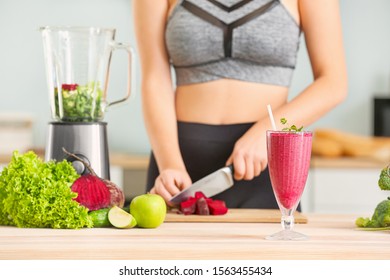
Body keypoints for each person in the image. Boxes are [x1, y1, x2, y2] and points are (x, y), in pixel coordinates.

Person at [132, 0, 347, 209]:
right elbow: (154, 79)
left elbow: (333, 83)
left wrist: (269, 129)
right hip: (179, 167)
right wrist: (170, 164)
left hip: (266, 163)